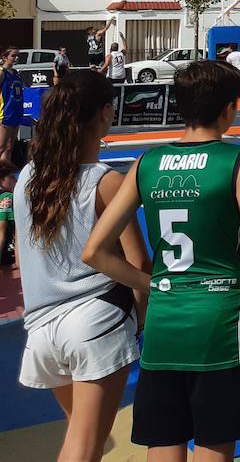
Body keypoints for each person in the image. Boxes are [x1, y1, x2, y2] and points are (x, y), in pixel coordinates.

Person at [85, 60, 240, 460]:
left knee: (164, 439)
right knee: (214, 441)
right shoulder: (236, 159)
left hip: (164, 325)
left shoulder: (147, 162)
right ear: (228, 108)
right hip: (221, 324)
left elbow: (94, 251)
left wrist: (152, 285)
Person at [15, 72, 148, 462]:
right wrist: (141, 322)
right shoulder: (106, 182)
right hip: (96, 322)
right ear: (105, 112)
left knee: (81, 439)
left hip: (42, 328)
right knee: (86, 447)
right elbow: (138, 262)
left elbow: (22, 257)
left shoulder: (27, 179)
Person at [0, 46, 24, 166]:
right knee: (2, 146)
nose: (16, 58)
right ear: (5, 57)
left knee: (10, 147)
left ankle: (5, 171)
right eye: (13, 55)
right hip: (5, 113)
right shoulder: (2, 73)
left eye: (17, 55)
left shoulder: (15, 73)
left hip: (16, 112)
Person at [0, 160, 14, 266]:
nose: (16, 180)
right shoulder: (7, 198)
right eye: (12, 177)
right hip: (6, 253)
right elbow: (1, 230)